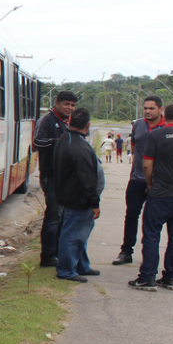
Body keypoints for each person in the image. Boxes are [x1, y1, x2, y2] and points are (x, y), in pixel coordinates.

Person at [128, 104, 173, 291]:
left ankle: (147, 277)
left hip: (161, 194)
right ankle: (171, 277)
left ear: (164, 116)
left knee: (151, 235)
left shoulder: (156, 135)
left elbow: (146, 165)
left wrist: (150, 184)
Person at [113, 96, 166, 265]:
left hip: (158, 182)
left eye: (152, 108)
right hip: (137, 178)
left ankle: (149, 256)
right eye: (145, 108)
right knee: (131, 215)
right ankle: (126, 251)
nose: (148, 111)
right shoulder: (138, 125)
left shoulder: (166, 127)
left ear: (161, 110)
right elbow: (134, 147)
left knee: (151, 220)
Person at [53, 108, 103, 282]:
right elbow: (87, 178)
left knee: (81, 233)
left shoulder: (65, 139)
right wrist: (94, 202)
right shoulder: (78, 146)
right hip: (78, 198)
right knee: (73, 235)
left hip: (69, 195)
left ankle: (82, 265)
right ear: (87, 125)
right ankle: (66, 270)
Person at [34, 91, 78, 267]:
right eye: (67, 104)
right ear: (57, 103)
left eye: (73, 105)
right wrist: (60, 141)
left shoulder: (68, 122)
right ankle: (48, 256)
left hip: (66, 178)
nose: (70, 108)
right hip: (51, 176)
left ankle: (58, 252)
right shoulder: (47, 120)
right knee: (53, 217)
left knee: (63, 217)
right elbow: (38, 142)